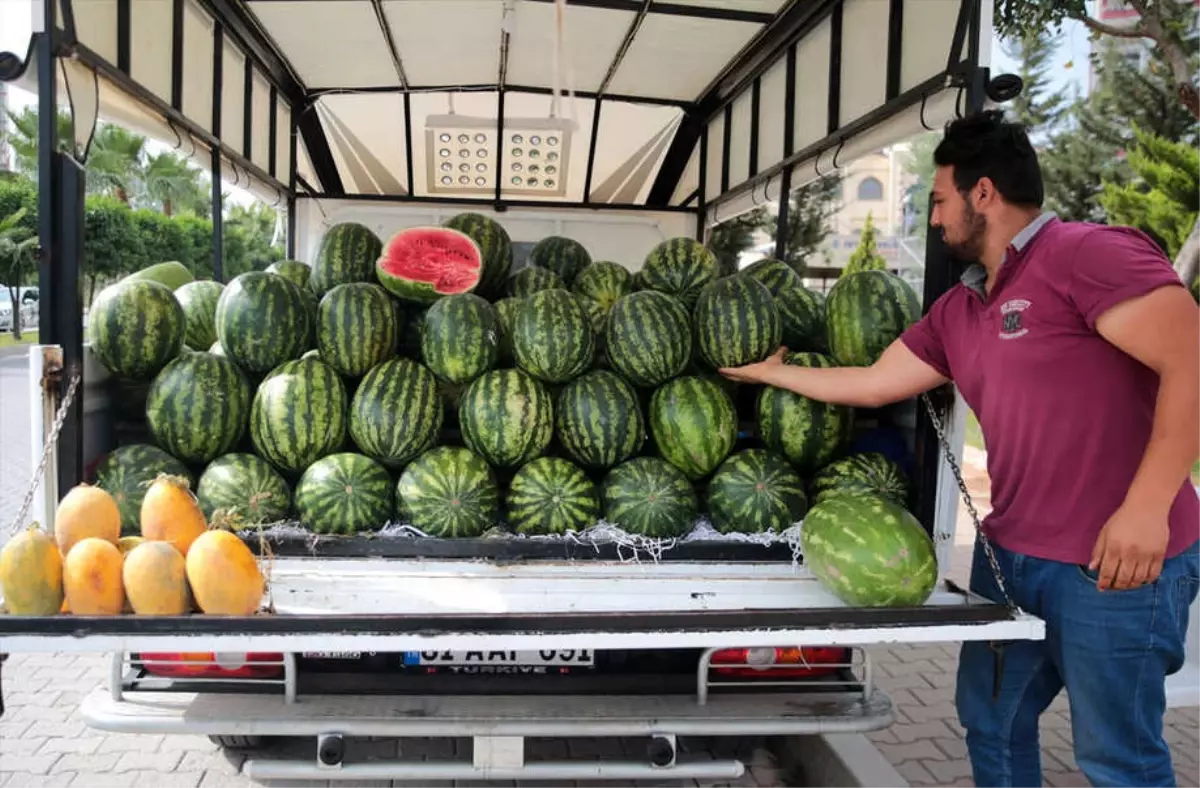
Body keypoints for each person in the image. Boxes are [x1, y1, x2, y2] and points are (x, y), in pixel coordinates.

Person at [721, 109, 1200, 788]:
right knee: (992, 727)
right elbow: (874, 383)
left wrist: (1148, 508)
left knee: (1117, 757)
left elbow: (1193, 361)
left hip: (1116, 564)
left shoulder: (1088, 253)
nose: (933, 218)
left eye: (939, 199)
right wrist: (767, 372)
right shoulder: (960, 308)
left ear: (984, 194)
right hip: (1012, 559)